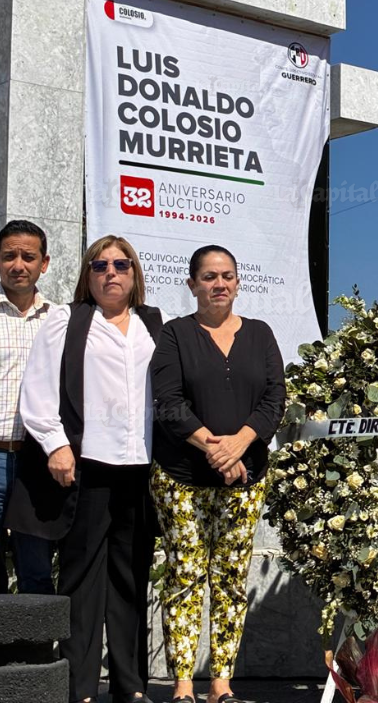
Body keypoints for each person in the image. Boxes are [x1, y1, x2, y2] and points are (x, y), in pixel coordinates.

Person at [7, 235, 164, 703]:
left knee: (131, 578)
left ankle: (130, 686)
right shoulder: (68, 320)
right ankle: (81, 688)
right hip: (86, 467)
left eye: (121, 264)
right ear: (88, 275)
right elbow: (37, 390)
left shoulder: (153, 323)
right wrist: (56, 445)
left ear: (134, 273)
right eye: (100, 265)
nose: (111, 272)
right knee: (81, 579)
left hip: (138, 468)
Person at [150, 245, 286, 703]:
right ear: (192, 284)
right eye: (209, 277)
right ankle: (183, 687)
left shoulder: (261, 334)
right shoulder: (174, 334)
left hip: (244, 479)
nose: (219, 284)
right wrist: (216, 449)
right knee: (186, 576)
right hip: (181, 478)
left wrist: (239, 445)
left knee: (229, 580)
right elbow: (168, 402)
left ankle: (221, 685)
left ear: (238, 282)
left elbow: (274, 400)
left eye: (227, 275)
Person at [0, 220, 55, 594]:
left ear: (44, 263)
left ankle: (37, 636)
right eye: (9, 256)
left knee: (36, 570)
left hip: (37, 460)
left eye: (28, 257)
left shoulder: (59, 319)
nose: (18, 265)